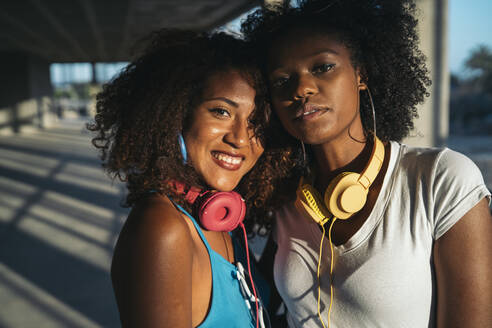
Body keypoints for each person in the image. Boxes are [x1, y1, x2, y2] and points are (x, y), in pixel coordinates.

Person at [241, 0, 492, 327]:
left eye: (322, 67)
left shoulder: (441, 180)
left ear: (361, 74)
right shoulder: (286, 199)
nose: (301, 88)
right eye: (282, 80)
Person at [88, 29, 294, 327]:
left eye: (256, 122)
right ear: (176, 115)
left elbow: (254, 307)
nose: (240, 139)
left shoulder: (218, 214)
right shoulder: (163, 228)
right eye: (221, 112)